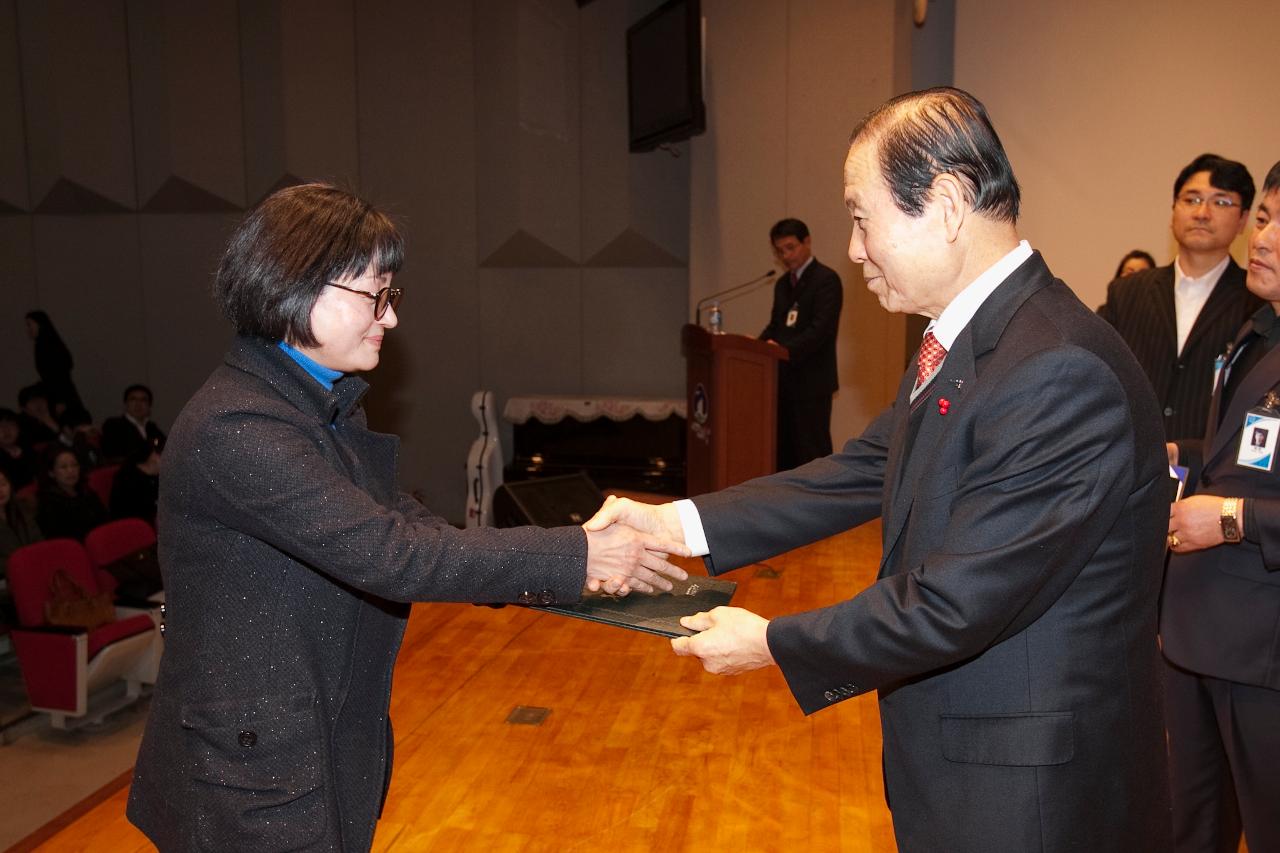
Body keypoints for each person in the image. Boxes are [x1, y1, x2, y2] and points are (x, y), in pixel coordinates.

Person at [587, 87, 1171, 852]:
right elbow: (860, 469)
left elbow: (956, 602)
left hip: (1031, 800)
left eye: (863, 218)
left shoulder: (1054, 366)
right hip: (969, 773)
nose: (854, 249)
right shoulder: (982, 338)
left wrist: (772, 643)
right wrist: (671, 520)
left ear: (950, 204)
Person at [125, 183, 689, 852]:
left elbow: (415, 527)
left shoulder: (314, 404)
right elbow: (389, 555)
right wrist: (578, 557)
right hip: (252, 767)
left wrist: (574, 554)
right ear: (296, 286)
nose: (390, 319)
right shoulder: (241, 427)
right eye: (377, 295)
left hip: (297, 738)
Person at [1163, 159, 1280, 853]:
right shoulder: (1258, 333)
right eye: (1264, 217)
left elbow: (1241, 495)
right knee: (1190, 827)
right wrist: (1170, 454)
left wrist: (1231, 517)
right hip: (1197, 636)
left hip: (1263, 653)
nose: (1263, 238)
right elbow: (1236, 453)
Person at [1098, 154, 1260, 441]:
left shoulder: (1256, 303)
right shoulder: (1127, 292)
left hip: (1209, 475)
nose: (1202, 213)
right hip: (1130, 461)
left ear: (1243, 220)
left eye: (1221, 202)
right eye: (1192, 199)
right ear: (1174, 209)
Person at [760, 218, 843, 470]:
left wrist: (781, 351)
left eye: (790, 247)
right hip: (782, 383)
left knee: (811, 453)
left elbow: (820, 331)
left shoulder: (826, 280)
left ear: (807, 242)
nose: (786, 256)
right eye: (780, 250)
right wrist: (756, 345)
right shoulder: (783, 284)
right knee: (784, 455)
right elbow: (776, 325)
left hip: (811, 384)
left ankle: (822, 506)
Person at [34, 447, 106, 541]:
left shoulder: (86, 491)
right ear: (51, 473)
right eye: (63, 467)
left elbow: (105, 519)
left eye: (74, 465)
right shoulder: (48, 503)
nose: (71, 471)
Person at [24, 310, 86, 419]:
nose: (28, 329)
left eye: (30, 325)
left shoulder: (47, 345)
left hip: (60, 397)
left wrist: (60, 400)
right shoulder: (44, 344)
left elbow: (58, 375)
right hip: (58, 395)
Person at [101, 384, 167, 463]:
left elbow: (165, 449)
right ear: (125, 404)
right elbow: (112, 454)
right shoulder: (114, 425)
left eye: (143, 400)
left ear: (149, 405)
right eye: (133, 399)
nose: (138, 404)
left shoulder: (152, 428)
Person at [0, 468, 42, 581]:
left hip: (35, 569)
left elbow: (38, 540)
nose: (1, 490)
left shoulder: (22, 509)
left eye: (3, 484)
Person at [109, 441, 160, 524]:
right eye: (157, 454)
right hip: (132, 525)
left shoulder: (154, 477)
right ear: (151, 459)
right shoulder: (128, 480)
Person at [0, 409, 37, 490]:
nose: (6, 430)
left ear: (18, 428)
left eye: (11, 425)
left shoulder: (29, 450)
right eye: (1, 426)